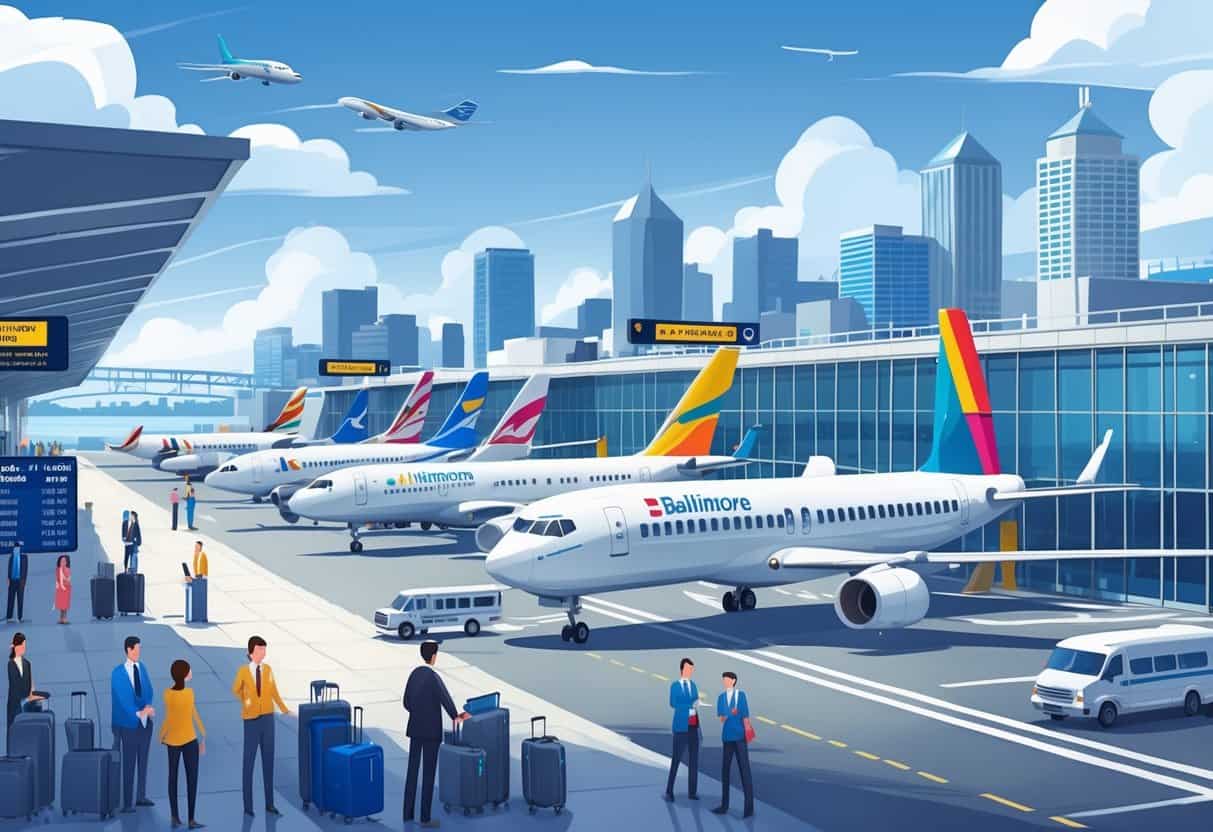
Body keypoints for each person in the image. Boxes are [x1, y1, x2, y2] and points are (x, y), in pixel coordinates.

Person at [403, 640, 468, 828]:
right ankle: (424, 818)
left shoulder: (414, 674)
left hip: (415, 729)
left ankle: (407, 814)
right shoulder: (433, 677)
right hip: (431, 732)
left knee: (412, 773)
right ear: (433, 656)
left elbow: (406, 702)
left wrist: (417, 711)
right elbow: (446, 701)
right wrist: (458, 716)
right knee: (428, 775)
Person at [231, 635, 288, 818]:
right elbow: (235, 689)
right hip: (251, 721)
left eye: (264, 649)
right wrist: (246, 700)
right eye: (259, 649)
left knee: (268, 762)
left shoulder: (268, 670)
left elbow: (274, 692)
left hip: (268, 719)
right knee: (248, 763)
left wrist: (285, 710)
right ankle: (248, 806)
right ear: (251, 652)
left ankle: (269, 804)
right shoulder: (243, 671)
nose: (263, 652)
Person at [111, 636, 155, 813]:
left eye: (140, 648)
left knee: (143, 760)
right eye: (137, 649)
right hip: (127, 725)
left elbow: (149, 690)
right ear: (128, 650)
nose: (139, 652)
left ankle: (141, 796)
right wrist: (139, 713)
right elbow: (123, 700)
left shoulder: (142, 668)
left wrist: (147, 707)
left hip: (144, 724)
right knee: (129, 763)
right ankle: (127, 802)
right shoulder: (118, 673)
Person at [160, 659, 206, 829]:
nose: (191, 672)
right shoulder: (190, 693)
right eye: (189, 669)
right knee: (192, 779)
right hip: (189, 740)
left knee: (172, 778)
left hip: (172, 740)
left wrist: (161, 736)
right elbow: (194, 714)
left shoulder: (167, 693)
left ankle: (174, 816)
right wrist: (203, 735)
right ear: (184, 674)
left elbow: (169, 719)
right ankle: (191, 819)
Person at [712, 671, 754, 818]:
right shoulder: (721, 698)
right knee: (725, 771)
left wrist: (747, 730)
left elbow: (746, 716)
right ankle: (724, 805)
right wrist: (731, 712)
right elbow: (722, 718)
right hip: (728, 737)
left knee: (745, 771)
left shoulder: (741, 696)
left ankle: (749, 808)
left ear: (734, 680)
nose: (725, 682)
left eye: (727, 680)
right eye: (724, 680)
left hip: (740, 737)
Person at [665, 657, 700, 802]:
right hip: (680, 727)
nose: (690, 671)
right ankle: (669, 790)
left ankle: (692, 792)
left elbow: (696, 700)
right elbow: (673, 703)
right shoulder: (675, 686)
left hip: (693, 726)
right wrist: (689, 705)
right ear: (682, 670)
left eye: (691, 669)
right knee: (676, 759)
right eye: (687, 669)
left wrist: (695, 704)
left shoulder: (693, 685)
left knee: (694, 760)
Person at [6, 634, 45, 752]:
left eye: (24, 645)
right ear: (15, 646)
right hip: (15, 705)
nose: (24, 647)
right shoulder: (11, 664)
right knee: (13, 733)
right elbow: (15, 685)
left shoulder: (27, 664)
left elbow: (30, 685)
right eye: (22, 644)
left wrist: (34, 697)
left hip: (26, 705)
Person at [5, 541, 28, 623]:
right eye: (15, 548)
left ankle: (20, 617)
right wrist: (8, 578)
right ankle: (9, 616)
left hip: (20, 581)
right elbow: (9, 568)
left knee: (20, 599)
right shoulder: (11, 557)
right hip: (12, 580)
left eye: (17, 547)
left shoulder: (24, 557)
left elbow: (25, 570)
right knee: (10, 598)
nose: (16, 549)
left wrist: (24, 581)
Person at [54, 555, 72, 624]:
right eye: (62, 561)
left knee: (65, 606)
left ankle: (64, 618)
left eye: (64, 561)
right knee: (61, 606)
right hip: (60, 589)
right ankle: (62, 618)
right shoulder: (58, 570)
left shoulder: (67, 569)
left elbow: (68, 579)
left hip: (66, 588)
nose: (63, 562)